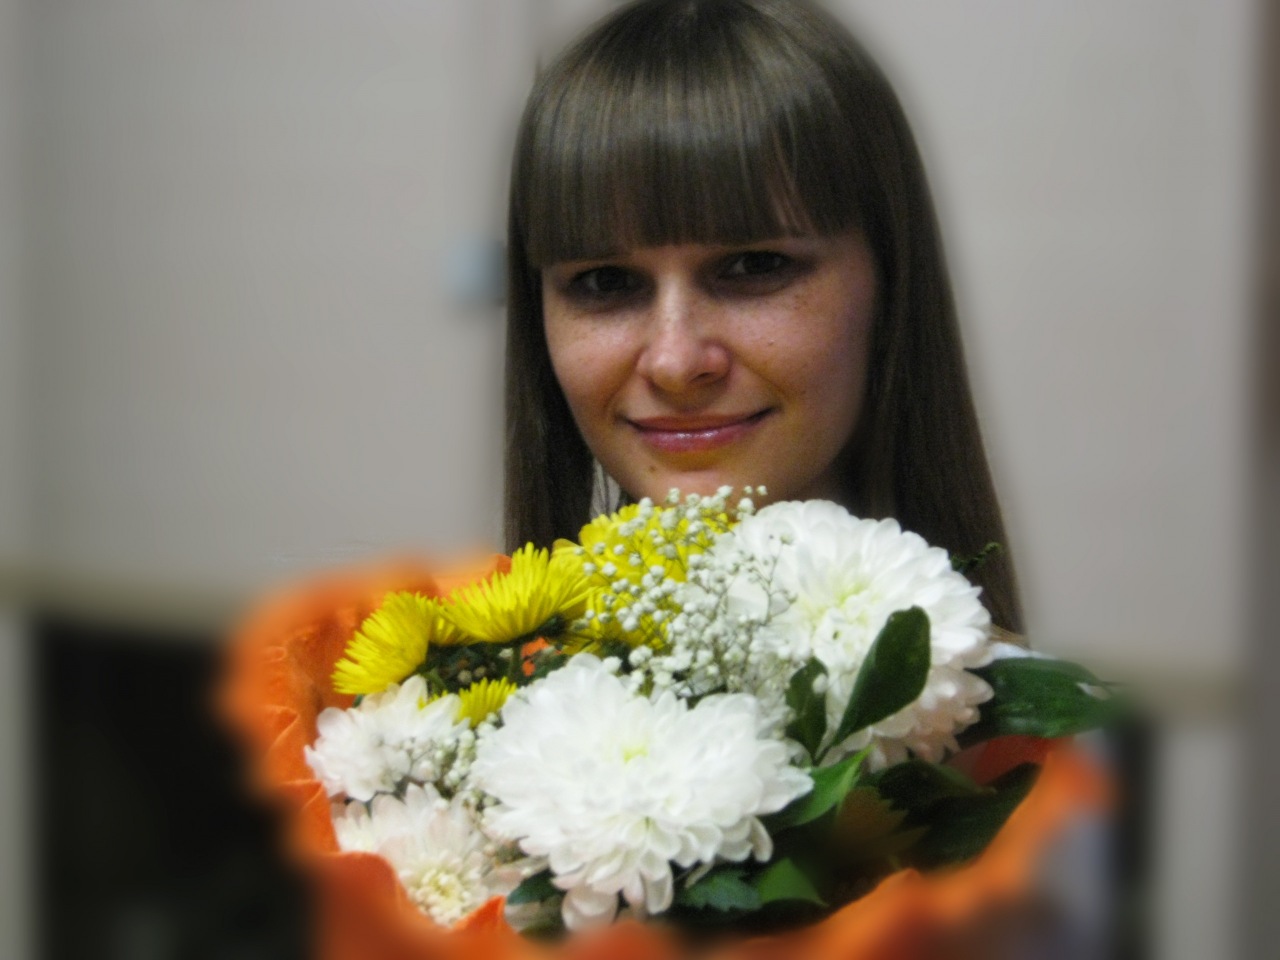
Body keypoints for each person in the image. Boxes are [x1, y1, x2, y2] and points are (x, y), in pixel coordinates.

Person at [502, 0, 1022, 633]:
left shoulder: (1013, 703)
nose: (675, 362)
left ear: (889, 282)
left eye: (753, 267)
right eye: (605, 282)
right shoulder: (444, 691)